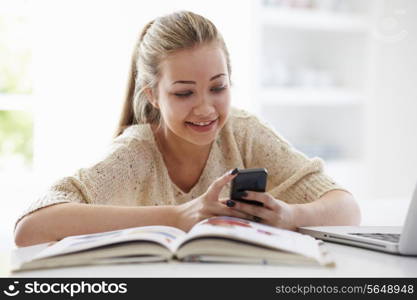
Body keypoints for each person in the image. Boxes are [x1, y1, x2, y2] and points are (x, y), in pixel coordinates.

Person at [14, 11, 360, 247]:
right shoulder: (136, 153)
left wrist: (291, 215)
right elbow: (30, 228)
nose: (206, 108)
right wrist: (181, 215)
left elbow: (347, 209)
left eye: (218, 87)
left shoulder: (243, 132)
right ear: (152, 95)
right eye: (183, 93)